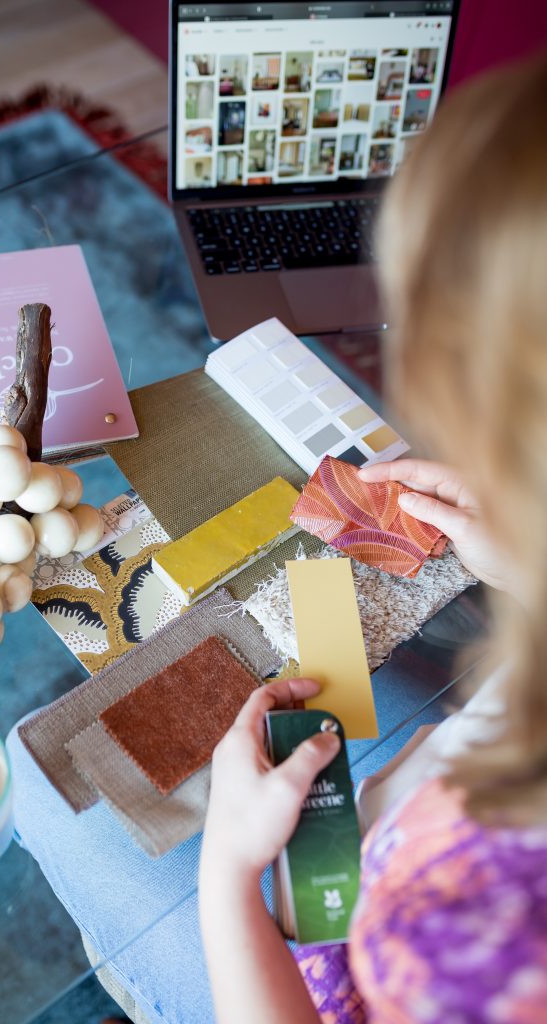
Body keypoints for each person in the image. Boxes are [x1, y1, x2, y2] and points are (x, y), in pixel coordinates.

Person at [199, 52, 547, 1023]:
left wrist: (226, 873)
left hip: (322, 924)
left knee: (53, 789)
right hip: (395, 811)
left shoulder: (478, 938)